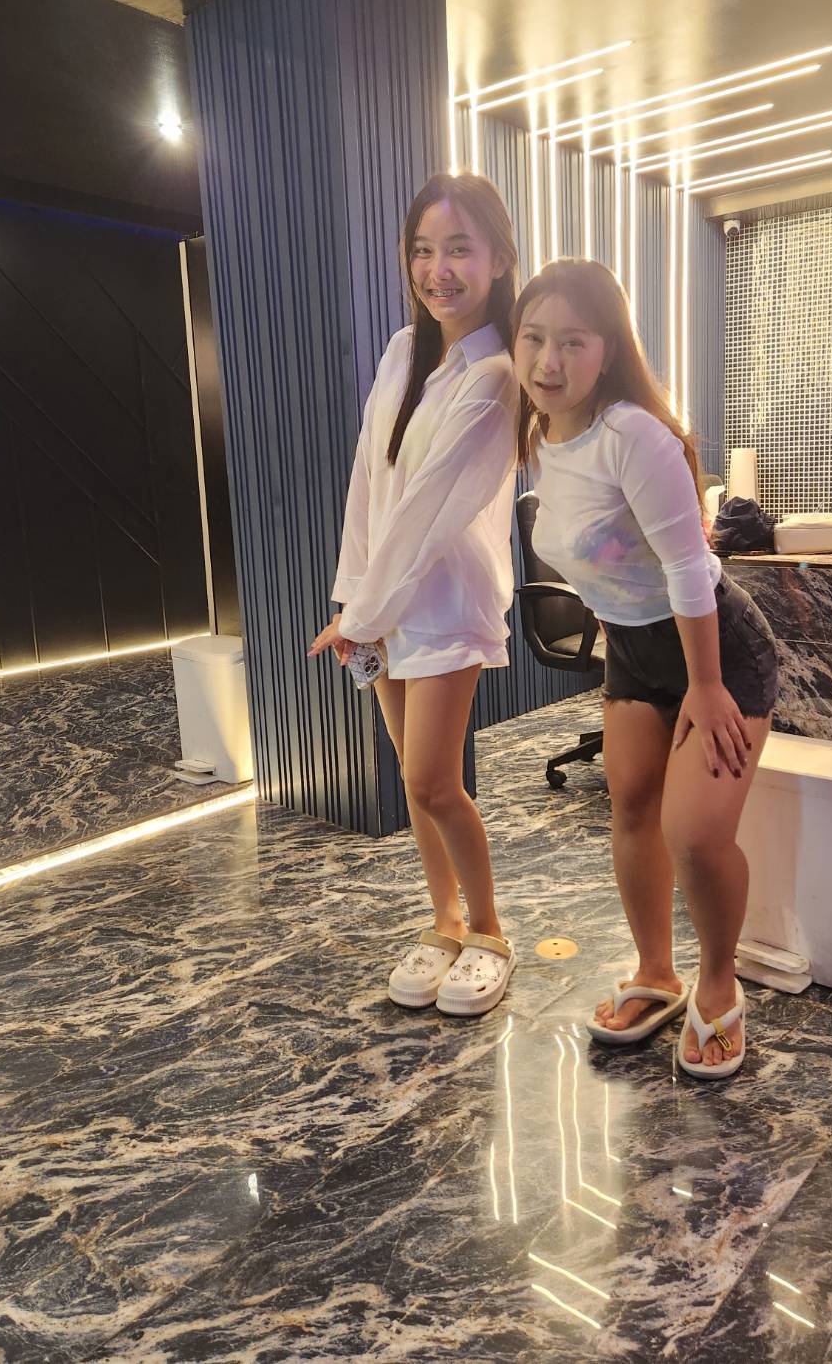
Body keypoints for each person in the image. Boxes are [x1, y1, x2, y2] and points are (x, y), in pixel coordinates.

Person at [511, 258, 778, 1078]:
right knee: (630, 806)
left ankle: (719, 981)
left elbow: (690, 568)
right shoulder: (537, 435)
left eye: (573, 341)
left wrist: (706, 684)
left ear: (607, 350)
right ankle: (656, 973)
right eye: (533, 338)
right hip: (631, 647)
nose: (549, 360)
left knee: (694, 834)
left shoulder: (632, 434)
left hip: (715, 648)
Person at [309, 173, 520, 1017]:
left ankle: (490, 931)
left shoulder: (497, 373)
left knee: (434, 779)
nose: (439, 269)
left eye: (459, 249)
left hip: (446, 602)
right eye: (423, 250)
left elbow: (430, 511)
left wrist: (362, 613)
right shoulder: (404, 350)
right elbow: (371, 483)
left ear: (499, 258)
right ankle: (444, 922)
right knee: (411, 775)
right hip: (382, 600)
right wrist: (353, 599)